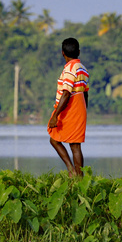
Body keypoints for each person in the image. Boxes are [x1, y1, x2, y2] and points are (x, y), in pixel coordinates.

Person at [47, 37, 89, 177]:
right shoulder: (83, 68)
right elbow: (85, 93)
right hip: (80, 105)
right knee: (63, 141)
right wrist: (84, 111)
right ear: (79, 52)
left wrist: (55, 116)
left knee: (72, 144)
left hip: (70, 105)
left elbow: (66, 93)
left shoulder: (70, 68)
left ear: (62, 53)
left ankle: (75, 174)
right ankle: (75, 174)